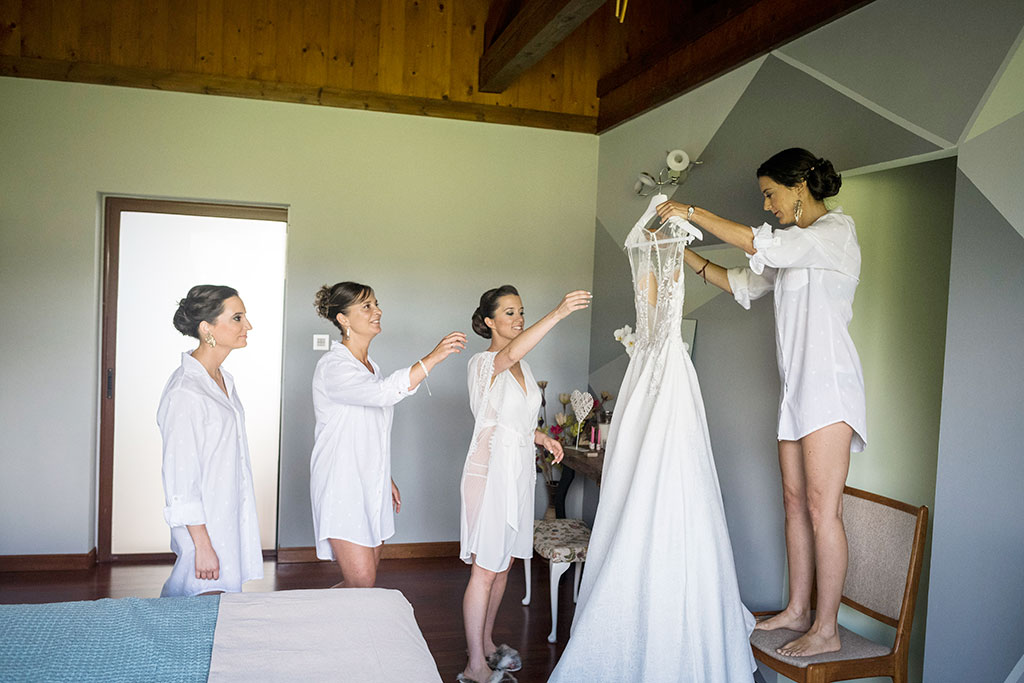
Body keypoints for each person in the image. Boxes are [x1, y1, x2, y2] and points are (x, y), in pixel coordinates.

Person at [655, 147, 867, 657]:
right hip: (796, 391)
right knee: (793, 503)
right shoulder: (795, 248)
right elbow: (742, 281)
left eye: (770, 194)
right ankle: (797, 609)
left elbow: (757, 243)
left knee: (823, 509)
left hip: (830, 391)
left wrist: (690, 212)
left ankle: (827, 626)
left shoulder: (835, 234)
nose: (767, 204)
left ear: (799, 187)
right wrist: (682, 250)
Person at [549, 189, 755, 682]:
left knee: (659, 472)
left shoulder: (642, 248)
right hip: (663, 370)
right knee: (667, 476)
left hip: (647, 372)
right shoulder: (669, 246)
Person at [459, 285, 589, 683]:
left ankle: (485, 643)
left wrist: (543, 438)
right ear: (489, 321)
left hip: (516, 472)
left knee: (504, 565)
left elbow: (516, 420)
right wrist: (559, 311)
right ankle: (473, 666)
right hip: (488, 474)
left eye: (521, 312)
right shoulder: (484, 363)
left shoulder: (523, 368)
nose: (518, 319)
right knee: (485, 568)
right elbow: (510, 355)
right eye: (510, 313)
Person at [310, 281, 466, 589]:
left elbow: (369, 429)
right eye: (366, 306)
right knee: (363, 581)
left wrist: (385, 476)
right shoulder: (334, 367)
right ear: (343, 319)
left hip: (370, 482)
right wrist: (432, 358)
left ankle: (326, 630)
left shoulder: (371, 367)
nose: (377, 311)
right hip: (342, 484)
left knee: (363, 581)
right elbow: (383, 394)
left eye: (376, 304)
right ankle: (329, 633)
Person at [158, 285, 262, 597]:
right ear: (207, 329)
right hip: (206, 531)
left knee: (221, 616)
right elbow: (180, 478)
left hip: (228, 516)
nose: (248, 326)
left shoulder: (222, 380)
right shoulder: (185, 392)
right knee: (197, 606)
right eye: (238, 318)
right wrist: (202, 546)